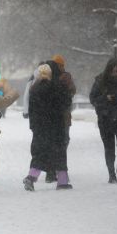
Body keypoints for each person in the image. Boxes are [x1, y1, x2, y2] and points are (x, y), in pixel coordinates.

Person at [23, 62, 73, 191]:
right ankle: (62, 181)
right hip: (56, 126)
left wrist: (34, 127)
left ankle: (31, 177)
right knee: (60, 154)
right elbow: (66, 102)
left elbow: (32, 110)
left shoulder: (34, 89)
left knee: (39, 154)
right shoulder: (57, 87)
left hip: (40, 127)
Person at [45, 55, 76, 183]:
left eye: (62, 65)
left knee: (62, 142)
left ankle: (55, 169)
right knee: (59, 143)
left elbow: (72, 91)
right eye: (60, 65)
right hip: (59, 116)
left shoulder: (64, 77)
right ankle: (55, 170)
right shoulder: (52, 77)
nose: (62, 67)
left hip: (61, 117)